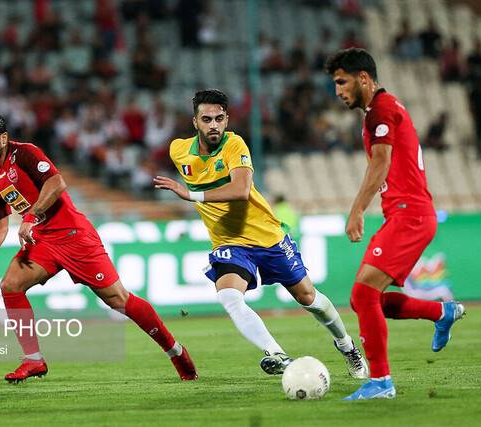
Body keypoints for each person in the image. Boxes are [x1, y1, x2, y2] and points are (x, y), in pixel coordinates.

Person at [0, 111, 197, 382]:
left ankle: (175, 351)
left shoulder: (24, 154)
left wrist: (32, 216)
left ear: (3, 137)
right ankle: (34, 360)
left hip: (73, 235)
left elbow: (56, 182)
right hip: (42, 241)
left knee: (118, 300)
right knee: (10, 285)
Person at [154, 89, 368, 379]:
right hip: (229, 243)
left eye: (219, 118)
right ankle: (276, 352)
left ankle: (347, 346)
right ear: (195, 122)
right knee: (229, 296)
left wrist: (191, 195)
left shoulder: (234, 145)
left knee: (308, 298)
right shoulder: (178, 150)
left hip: (267, 237)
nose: (214, 125)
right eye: (206, 119)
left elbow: (241, 191)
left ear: (227, 119)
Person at [325, 48, 465, 400]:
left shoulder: (381, 110)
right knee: (364, 301)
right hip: (404, 213)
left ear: (364, 79)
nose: (338, 91)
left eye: (342, 82)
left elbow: (382, 161)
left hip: (411, 214)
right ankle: (440, 311)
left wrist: (356, 209)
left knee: (363, 294)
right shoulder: (379, 110)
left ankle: (381, 382)